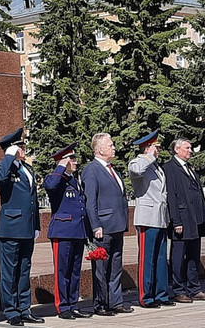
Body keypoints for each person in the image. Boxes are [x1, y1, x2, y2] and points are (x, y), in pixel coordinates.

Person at [0, 128, 43, 326]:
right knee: (9, 272)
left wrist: (36, 225)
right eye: (19, 147)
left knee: (23, 269)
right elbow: (0, 178)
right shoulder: (0, 167)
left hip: (27, 228)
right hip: (10, 228)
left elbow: (33, 201)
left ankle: (24, 308)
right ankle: (11, 311)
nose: (23, 149)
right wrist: (8, 157)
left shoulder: (27, 169)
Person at [82, 133, 132, 316]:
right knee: (101, 269)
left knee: (115, 267)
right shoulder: (91, 170)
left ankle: (115, 301)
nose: (114, 148)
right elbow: (90, 201)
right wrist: (95, 225)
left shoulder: (113, 169)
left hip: (117, 225)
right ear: (100, 149)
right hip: (102, 227)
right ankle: (101, 303)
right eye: (110, 145)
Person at [44, 143, 93, 320]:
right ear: (63, 161)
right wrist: (60, 166)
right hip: (62, 232)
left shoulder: (74, 180)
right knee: (62, 271)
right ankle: (62, 307)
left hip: (77, 232)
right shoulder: (54, 178)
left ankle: (73, 304)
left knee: (74, 271)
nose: (76, 162)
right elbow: (50, 186)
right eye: (72, 159)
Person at [162, 138, 205, 303]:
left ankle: (194, 288)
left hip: (195, 219)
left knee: (193, 255)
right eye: (187, 148)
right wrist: (176, 221)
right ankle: (178, 289)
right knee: (178, 256)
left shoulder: (190, 167)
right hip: (181, 220)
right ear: (177, 149)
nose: (190, 151)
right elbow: (172, 196)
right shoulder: (170, 168)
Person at [128, 130, 174, 308]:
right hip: (147, 218)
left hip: (160, 217)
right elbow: (137, 170)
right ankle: (146, 296)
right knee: (147, 259)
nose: (159, 150)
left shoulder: (156, 166)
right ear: (148, 147)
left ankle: (161, 294)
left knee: (161, 258)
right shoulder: (138, 162)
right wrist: (148, 156)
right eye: (156, 146)